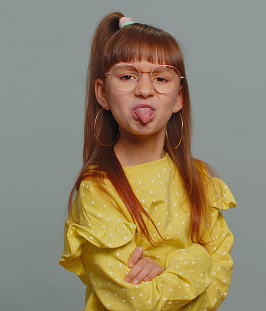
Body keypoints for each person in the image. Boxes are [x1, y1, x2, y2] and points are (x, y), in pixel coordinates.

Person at [59, 12, 237, 311]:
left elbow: (220, 281)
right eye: (127, 76)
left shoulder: (200, 179)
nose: (144, 90)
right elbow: (135, 301)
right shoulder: (98, 189)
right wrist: (198, 259)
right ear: (102, 93)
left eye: (161, 78)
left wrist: (175, 265)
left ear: (179, 98)